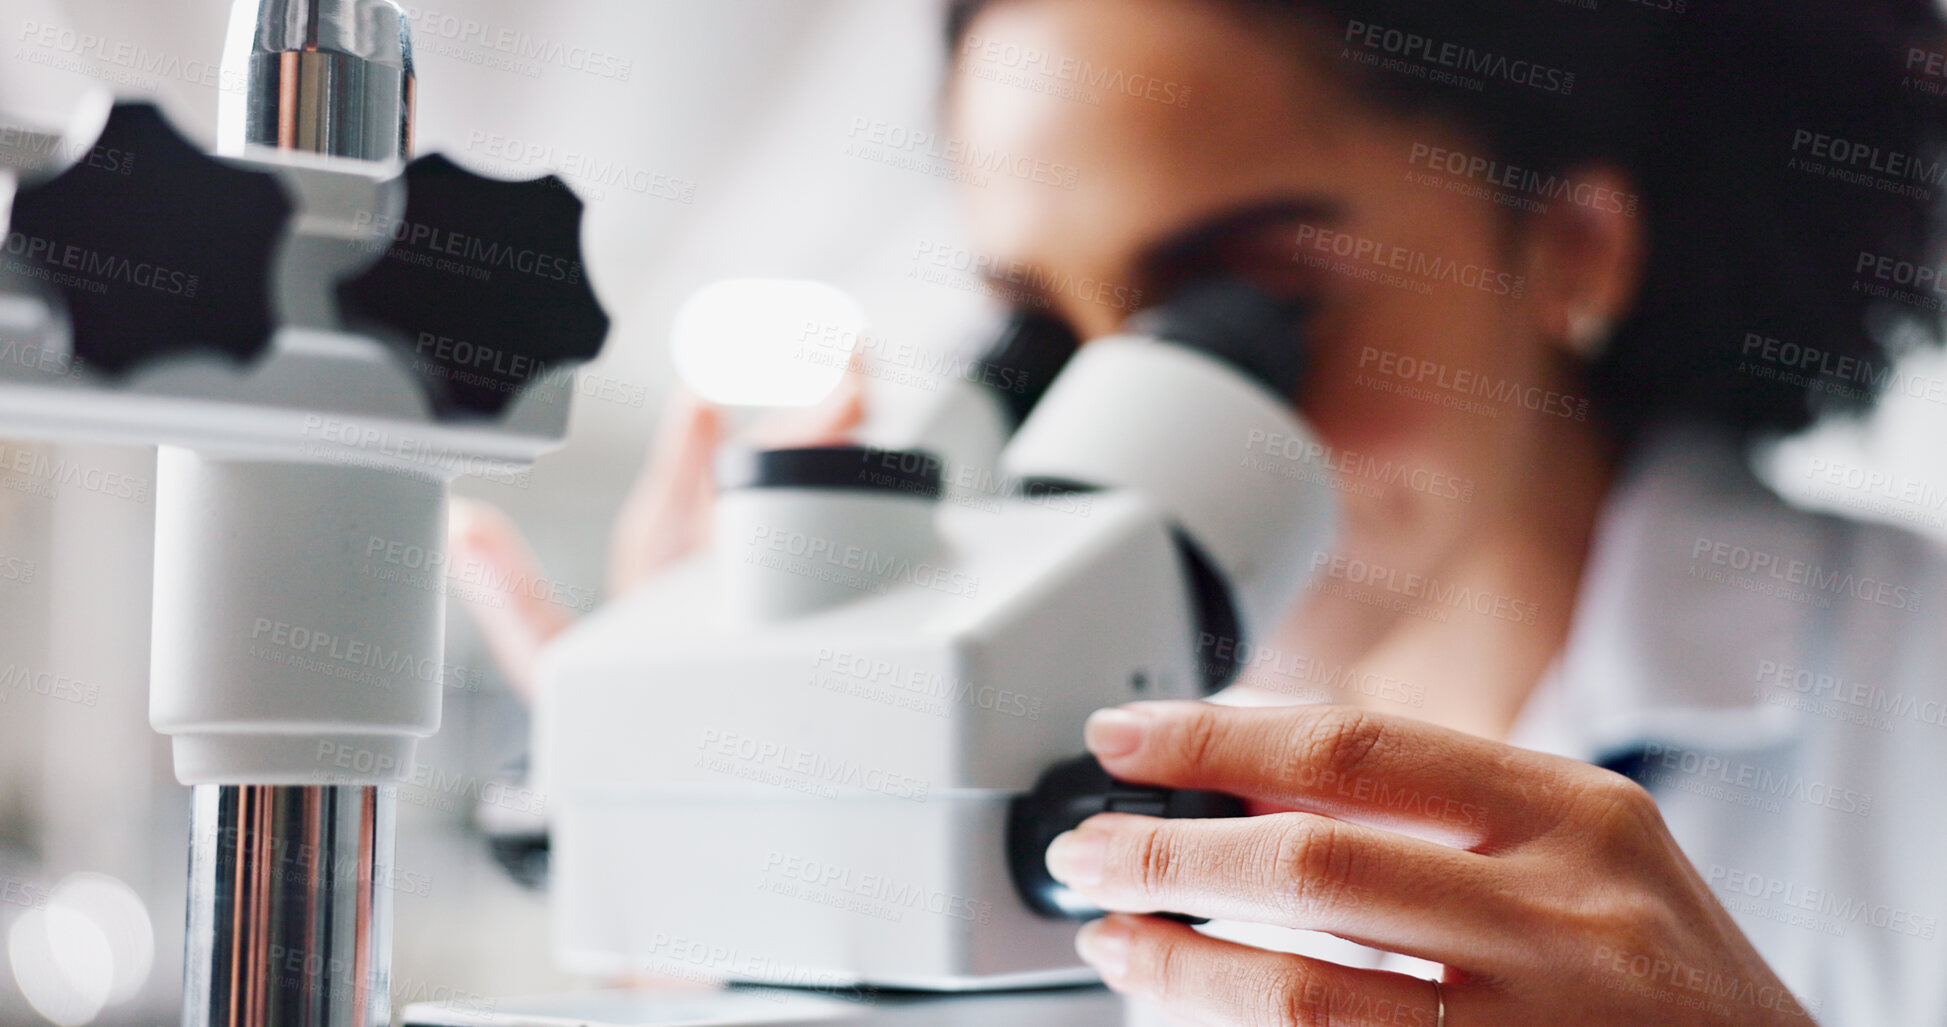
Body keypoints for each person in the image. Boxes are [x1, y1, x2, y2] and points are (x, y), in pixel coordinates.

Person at [454, 0, 1947, 1022]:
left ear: (1569, 250)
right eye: (1044, 337)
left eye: (1250, 315)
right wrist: (736, 872)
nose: (1122, 419)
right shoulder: (1063, 753)